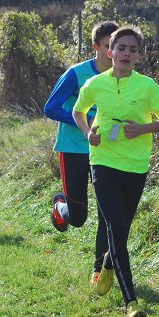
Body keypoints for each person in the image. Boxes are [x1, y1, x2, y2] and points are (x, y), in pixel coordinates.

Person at [73, 26, 159, 317]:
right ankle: (131, 302)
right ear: (110, 52)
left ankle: (107, 264)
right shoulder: (95, 84)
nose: (126, 53)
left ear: (138, 56)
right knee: (115, 225)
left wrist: (142, 128)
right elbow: (79, 111)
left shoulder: (147, 86)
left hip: (136, 166)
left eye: (133, 49)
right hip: (103, 162)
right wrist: (87, 133)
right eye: (121, 48)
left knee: (122, 229)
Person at [44, 21, 117, 288]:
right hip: (73, 148)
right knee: (78, 218)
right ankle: (59, 204)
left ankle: (98, 270)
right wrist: (84, 120)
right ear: (96, 46)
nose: (112, 53)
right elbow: (50, 108)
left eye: (115, 47)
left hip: (106, 151)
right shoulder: (76, 74)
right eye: (107, 46)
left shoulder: (122, 77)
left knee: (106, 213)